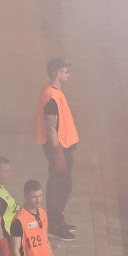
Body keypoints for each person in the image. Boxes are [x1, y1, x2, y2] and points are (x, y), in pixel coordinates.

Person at [35, 59, 79, 241]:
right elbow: (51, 126)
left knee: (65, 184)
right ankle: (52, 224)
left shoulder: (55, 92)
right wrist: (58, 153)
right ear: (57, 74)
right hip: (58, 148)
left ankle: (57, 218)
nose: (68, 74)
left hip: (63, 145)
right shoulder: (51, 97)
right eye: (65, 71)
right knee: (59, 185)